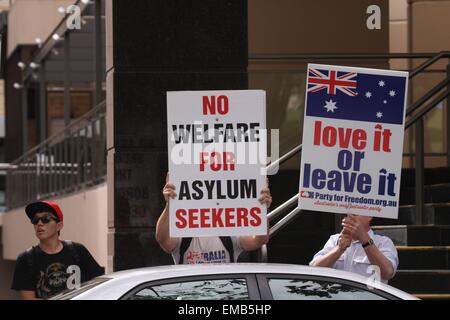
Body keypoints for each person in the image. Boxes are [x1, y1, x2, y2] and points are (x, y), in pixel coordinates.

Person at [156, 173, 272, 264]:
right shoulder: (183, 228)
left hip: (225, 293)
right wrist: (170, 204)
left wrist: (262, 208)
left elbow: (259, 240)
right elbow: (163, 241)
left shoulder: (230, 227)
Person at [11, 201, 105, 299]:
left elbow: (99, 285)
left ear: (59, 225)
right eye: (35, 220)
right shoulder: (25, 259)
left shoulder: (78, 250)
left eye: (45, 219)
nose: (39, 223)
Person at [310, 214, 398, 283]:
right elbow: (313, 270)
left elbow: (388, 272)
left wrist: (365, 239)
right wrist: (339, 249)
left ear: (369, 216)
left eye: (354, 214)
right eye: (346, 215)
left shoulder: (383, 242)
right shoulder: (335, 240)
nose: (348, 219)